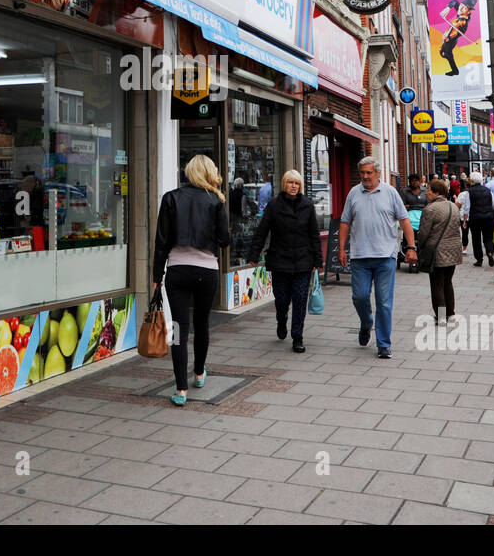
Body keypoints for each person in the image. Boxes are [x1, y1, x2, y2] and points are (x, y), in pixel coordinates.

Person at [152, 155, 231, 406]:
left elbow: (161, 241)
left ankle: (181, 389)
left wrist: (157, 276)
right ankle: (199, 372)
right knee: (202, 323)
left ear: (188, 172)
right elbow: (224, 240)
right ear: (209, 172)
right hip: (207, 271)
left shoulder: (171, 198)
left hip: (177, 270)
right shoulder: (216, 201)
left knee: (177, 329)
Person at [338, 156, 416, 359]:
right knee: (360, 296)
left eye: (369, 173)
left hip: (385, 256)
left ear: (378, 173)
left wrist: (411, 247)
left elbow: (405, 220)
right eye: (362, 173)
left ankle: (383, 344)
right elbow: (345, 222)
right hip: (360, 256)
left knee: (384, 302)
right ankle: (366, 323)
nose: (365, 176)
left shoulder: (390, 193)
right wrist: (341, 249)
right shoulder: (354, 193)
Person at [248, 169, 322, 353]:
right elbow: (262, 231)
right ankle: (282, 320)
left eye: (297, 183)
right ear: (284, 184)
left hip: (303, 261)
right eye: (290, 182)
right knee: (281, 299)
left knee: (299, 299)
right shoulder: (273, 206)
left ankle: (298, 337)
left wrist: (318, 260)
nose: (294, 186)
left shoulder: (308, 205)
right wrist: (253, 255)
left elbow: (314, 234)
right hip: (280, 260)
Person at [417, 179, 463, 323]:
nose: (427, 192)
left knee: (437, 284)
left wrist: (420, 247)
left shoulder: (430, 209)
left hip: (437, 251)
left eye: (429, 189)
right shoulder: (454, 207)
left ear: (436, 192)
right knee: (448, 282)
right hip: (454, 250)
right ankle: (451, 313)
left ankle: (441, 316)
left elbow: (423, 233)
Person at [460, 171, 494, 267]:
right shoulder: (488, 190)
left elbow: (467, 208)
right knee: (488, 238)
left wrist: (464, 220)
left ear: (471, 180)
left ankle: (479, 259)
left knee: (476, 239)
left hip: (475, 219)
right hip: (488, 218)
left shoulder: (469, 192)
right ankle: (489, 252)